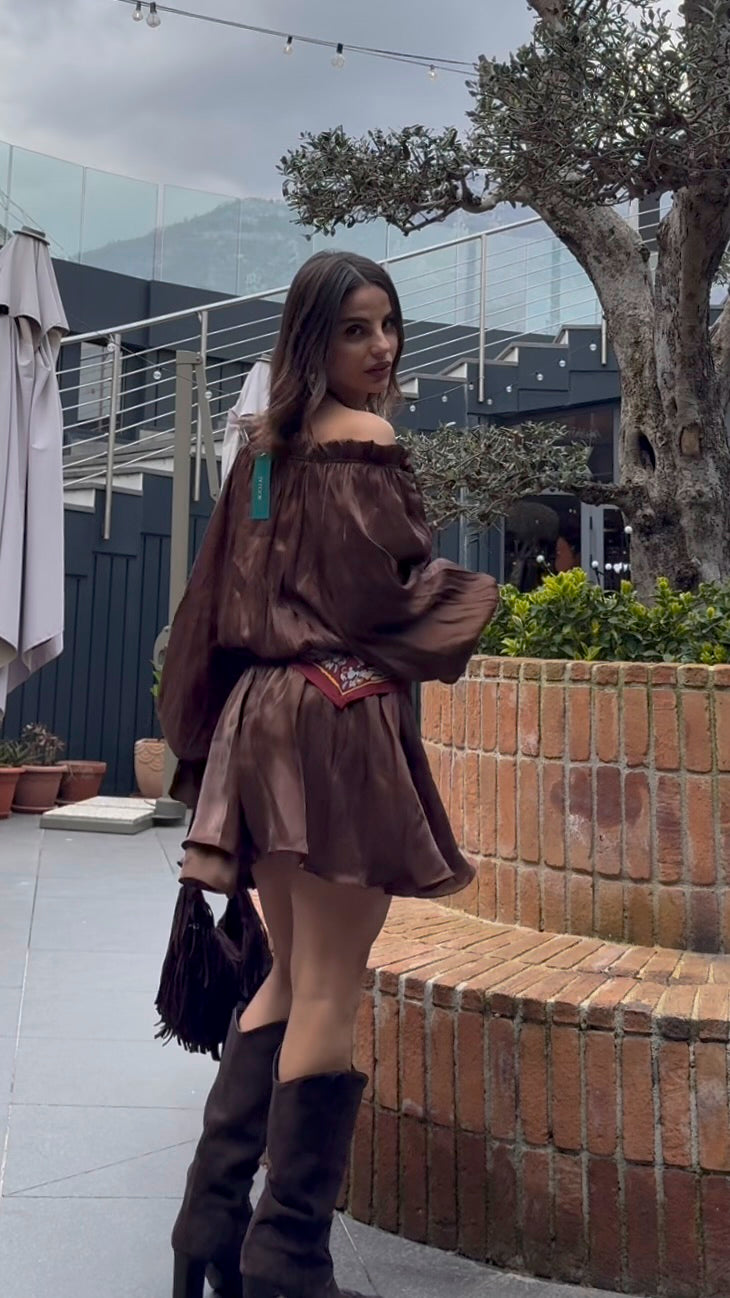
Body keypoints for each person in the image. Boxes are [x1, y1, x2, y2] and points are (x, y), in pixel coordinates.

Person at [157, 250, 500, 1298]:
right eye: (356, 329)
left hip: (262, 717)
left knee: (288, 974)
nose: (381, 347)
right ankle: (289, 1261)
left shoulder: (264, 452)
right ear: (312, 338)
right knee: (330, 991)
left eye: (388, 324)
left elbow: (224, 594)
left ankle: (208, 1227)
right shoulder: (367, 442)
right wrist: (466, 598)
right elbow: (378, 601)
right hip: (336, 721)